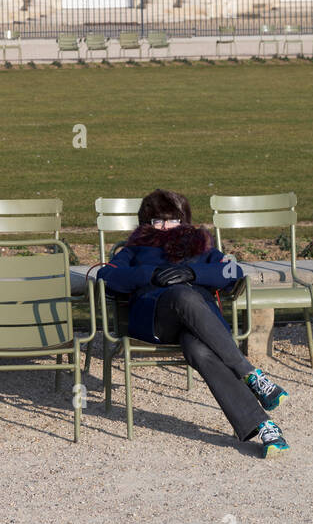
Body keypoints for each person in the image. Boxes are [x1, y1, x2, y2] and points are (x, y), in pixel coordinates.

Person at [97, 188, 289, 456]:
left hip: (199, 327)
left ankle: (265, 425)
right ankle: (249, 372)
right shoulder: (134, 250)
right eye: (158, 221)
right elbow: (106, 276)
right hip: (157, 320)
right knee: (181, 294)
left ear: (183, 220)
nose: (165, 226)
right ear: (147, 223)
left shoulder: (201, 245)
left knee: (198, 350)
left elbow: (233, 271)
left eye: (172, 219)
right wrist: (151, 274)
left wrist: (192, 271)